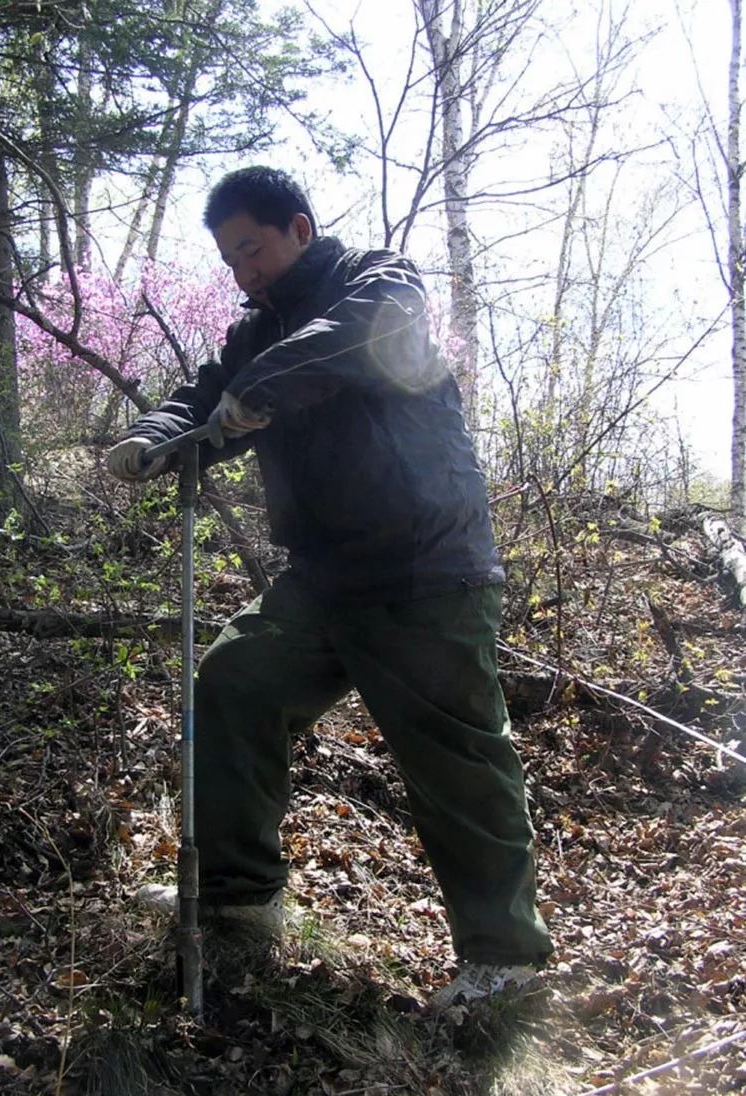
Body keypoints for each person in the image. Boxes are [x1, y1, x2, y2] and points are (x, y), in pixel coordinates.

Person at [106, 166, 553, 1007]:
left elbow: (347, 342)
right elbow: (207, 394)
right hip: (323, 577)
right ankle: (241, 899)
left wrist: (254, 391)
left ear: (300, 229)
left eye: (254, 248)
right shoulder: (256, 334)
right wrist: (153, 436)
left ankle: (506, 963)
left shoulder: (379, 281)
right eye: (231, 260)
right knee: (235, 680)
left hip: (426, 570)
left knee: (455, 761)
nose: (245, 272)